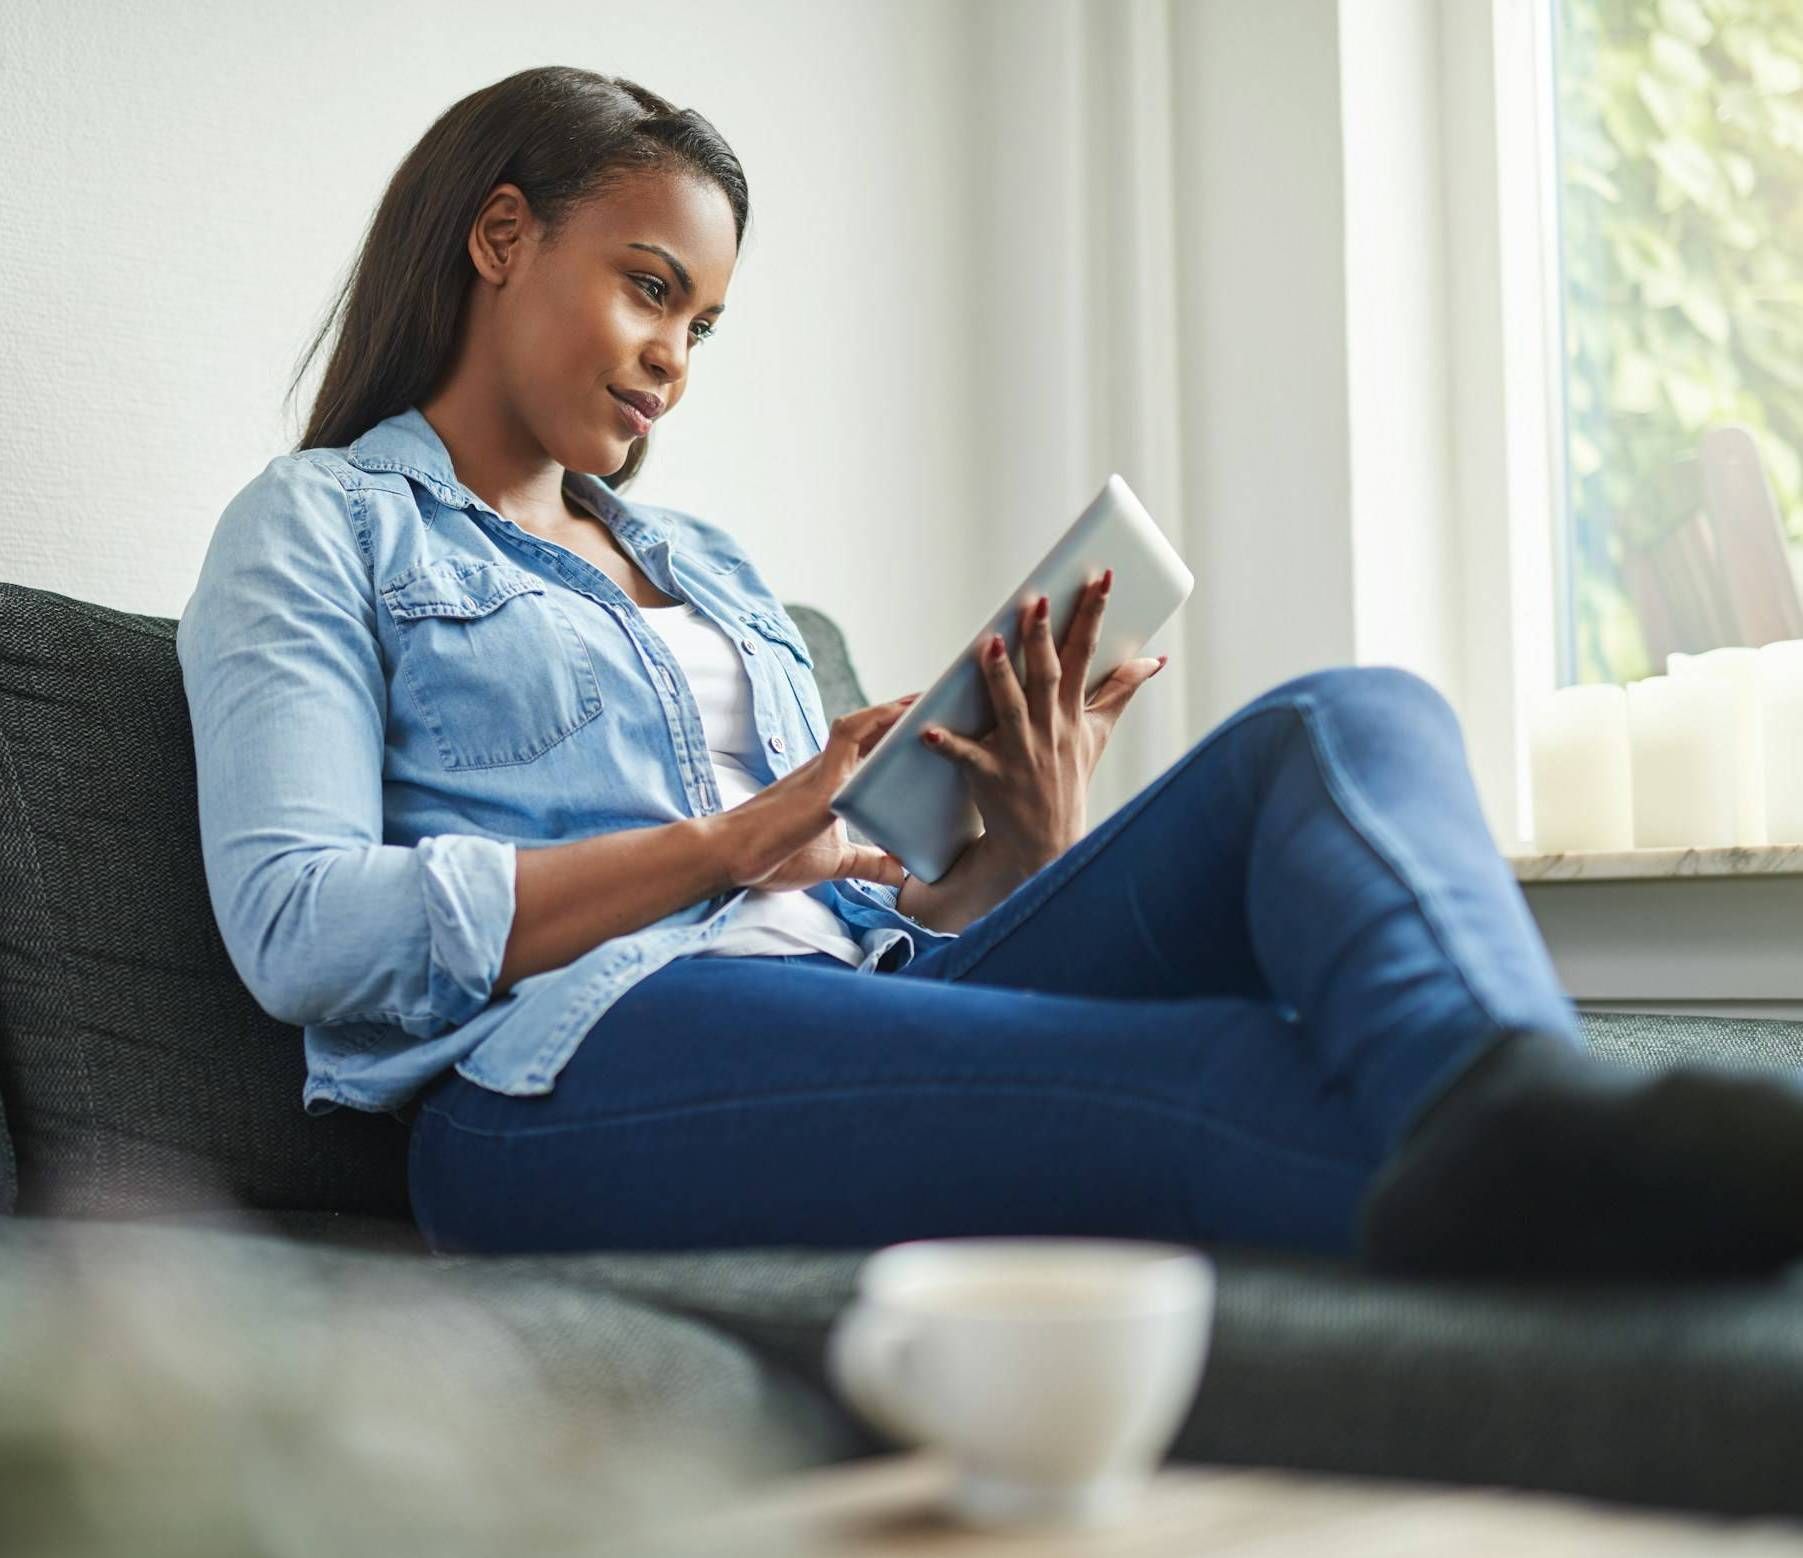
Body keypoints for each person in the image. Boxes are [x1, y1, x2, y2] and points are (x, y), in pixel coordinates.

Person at [179, 66, 1803, 1278]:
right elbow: (300, 927)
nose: (677, 357)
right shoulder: (320, 527)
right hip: (558, 1074)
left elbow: (865, 900)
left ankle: (1517, 1105)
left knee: (1347, 720)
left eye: (707, 322)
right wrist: (730, 841)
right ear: (500, 237)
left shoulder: (720, 572)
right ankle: (1622, 1190)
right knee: (1234, 1068)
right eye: (651, 287)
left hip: (862, 992)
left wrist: (1027, 841)